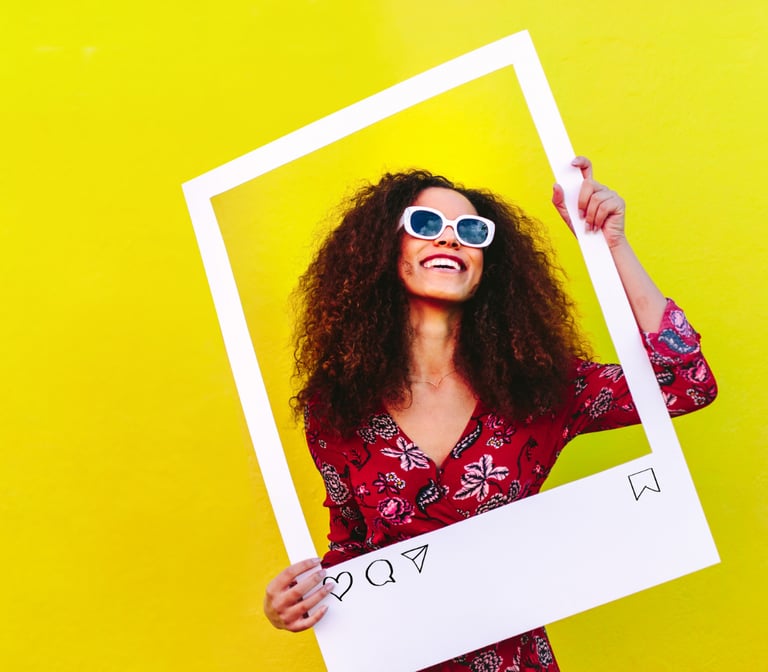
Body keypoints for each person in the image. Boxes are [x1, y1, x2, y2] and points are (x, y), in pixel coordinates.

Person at [263, 157, 717, 671]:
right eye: (427, 224)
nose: (451, 240)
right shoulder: (336, 406)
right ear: (384, 251)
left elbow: (685, 381)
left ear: (488, 268)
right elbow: (351, 551)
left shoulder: (538, 390)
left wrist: (611, 246)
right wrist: (294, 602)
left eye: (471, 232)